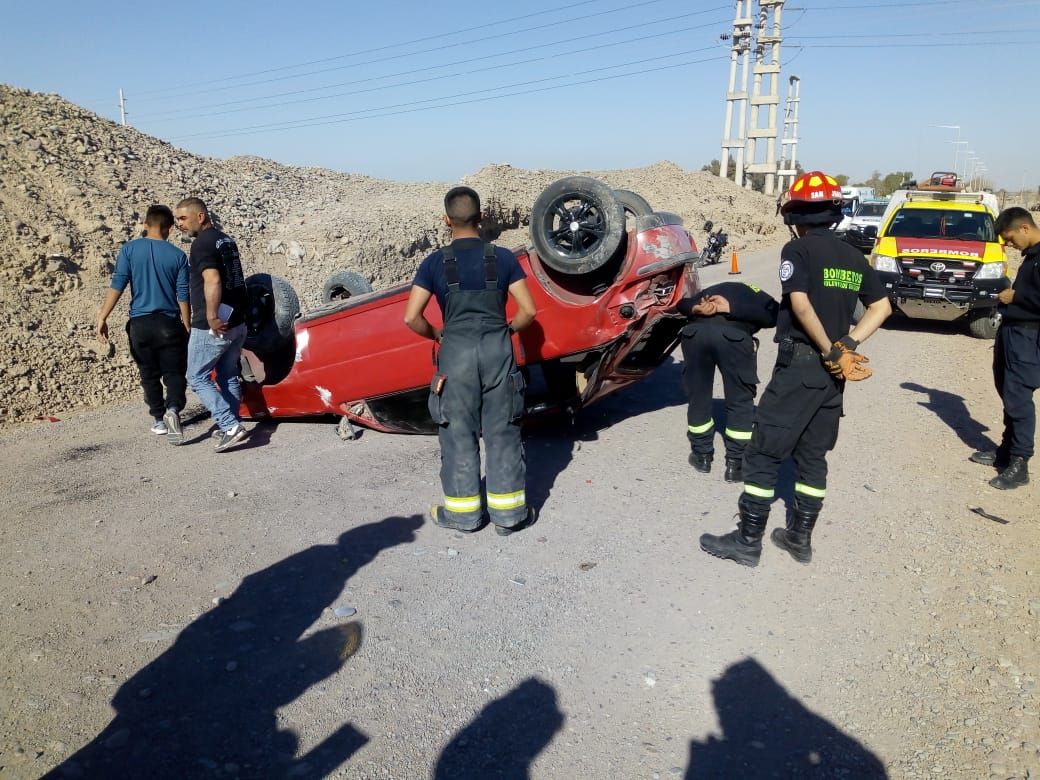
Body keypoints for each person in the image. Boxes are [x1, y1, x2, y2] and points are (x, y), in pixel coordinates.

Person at [700, 171, 892, 567]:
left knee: (763, 452)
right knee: (813, 455)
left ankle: (747, 541)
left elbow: (800, 305)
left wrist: (830, 350)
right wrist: (848, 345)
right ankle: (799, 539)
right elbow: (882, 307)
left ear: (796, 215)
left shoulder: (797, 250)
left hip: (803, 365)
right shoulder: (853, 256)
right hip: (832, 378)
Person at [404, 186, 537, 535]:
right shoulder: (503, 259)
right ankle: (509, 517)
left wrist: (437, 334)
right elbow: (528, 311)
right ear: (481, 218)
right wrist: (506, 330)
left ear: (446, 220)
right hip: (497, 351)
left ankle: (464, 515)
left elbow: (411, 317)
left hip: (456, 355)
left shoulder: (434, 263)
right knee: (503, 431)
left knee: (458, 433)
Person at [95, 205, 190, 442]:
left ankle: (158, 420)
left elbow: (118, 283)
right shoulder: (178, 256)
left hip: (140, 325)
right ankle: (173, 409)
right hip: (169, 323)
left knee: (148, 373)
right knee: (174, 371)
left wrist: (103, 317)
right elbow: (182, 294)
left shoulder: (129, 250)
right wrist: (186, 325)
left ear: (145, 225)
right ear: (170, 229)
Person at [678, 281, 779, 481]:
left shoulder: (709, 291)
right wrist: (732, 308)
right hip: (733, 337)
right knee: (740, 400)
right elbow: (774, 316)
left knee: (698, 396)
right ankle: (736, 464)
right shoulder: (759, 295)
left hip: (695, 334)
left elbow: (681, 304)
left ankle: (701, 456)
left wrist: (695, 308)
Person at [969, 207, 1040, 489]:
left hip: (1028, 337)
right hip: (1012, 333)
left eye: (1010, 238)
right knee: (1008, 393)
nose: (1009, 245)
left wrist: (1016, 297)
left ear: (1025, 228)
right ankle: (1006, 452)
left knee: (1019, 399)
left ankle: (1020, 464)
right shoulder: (1032, 256)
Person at [174, 197, 250, 452]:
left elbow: (213, 280)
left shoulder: (202, 244)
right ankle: (233, 424)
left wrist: (211, 316)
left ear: (201, 216)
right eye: (177, 219)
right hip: (236, 321)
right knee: (227, 374)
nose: (179, 224)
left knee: (196, 376)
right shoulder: (225, 239)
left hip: (214, 324)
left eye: (183, 218)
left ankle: (229, 426)